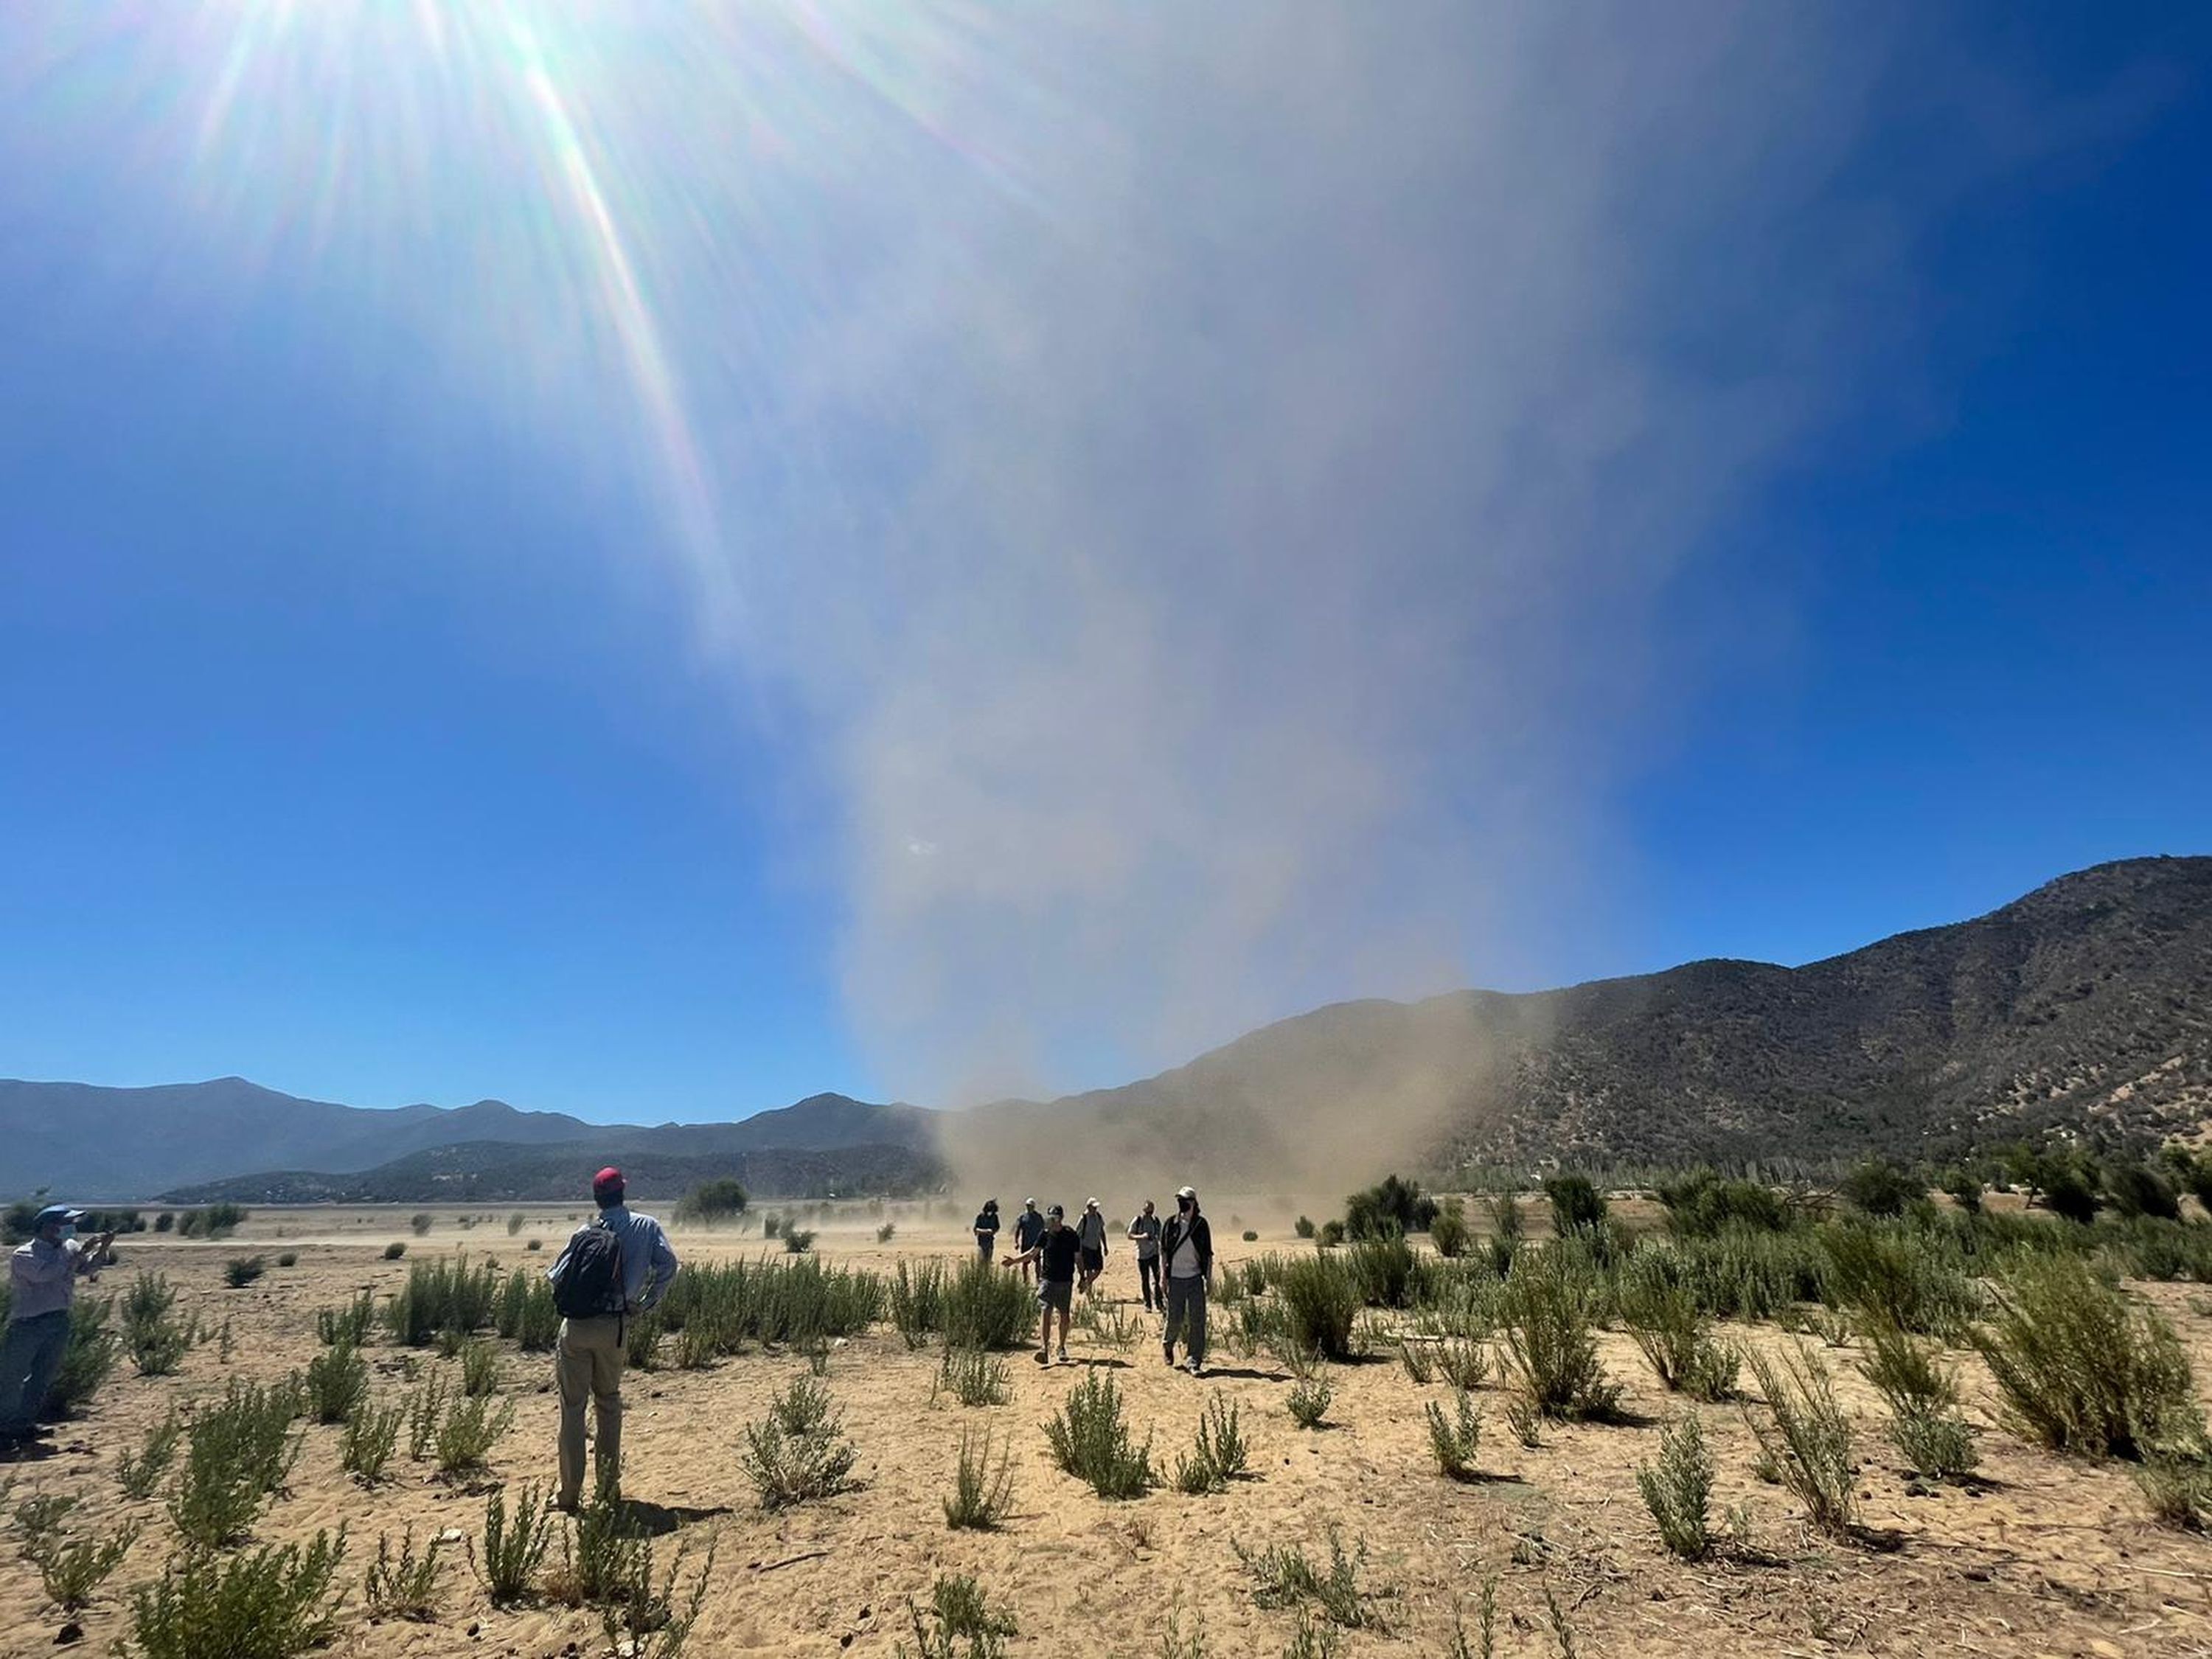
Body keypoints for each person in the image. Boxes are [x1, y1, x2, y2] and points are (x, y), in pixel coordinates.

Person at [546, 1166, 679, 1511]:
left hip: (576, 1328)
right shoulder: (646, 1226)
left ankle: (569, 1495)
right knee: (609, 1404)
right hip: (615, 1327)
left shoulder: (584, 1232)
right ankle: (607, 1491)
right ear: (623, 1193)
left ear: (597, 1198)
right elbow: (669, 1267)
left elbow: (555, 1276)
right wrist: (644, 1303)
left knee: (573, 1410)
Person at [1, 1206, 113, 1446]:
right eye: (63, 1223)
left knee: (43, 1376)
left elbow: (88, 1268)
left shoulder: (69, 1248)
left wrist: (102, 1249)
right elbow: (46, 1275)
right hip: (28, 1323)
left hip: (58, 1320)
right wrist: (79, 1253)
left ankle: (23, 1424)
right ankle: (4, 1426)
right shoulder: (24, 1254)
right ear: (47, 1226)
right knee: (13, 1376)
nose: (67, 1229)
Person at [1004, 1203, 1080, 1363]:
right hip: (1048, 1280)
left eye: (1055, 1217)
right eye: (1051, 1217)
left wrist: (1083, 1277)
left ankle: (1061, 1347)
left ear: (1061, 1218)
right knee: (1046, 1312)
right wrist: (1014, 1261)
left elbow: (1078, 1257)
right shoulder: (1045, 1235)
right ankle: (1044, 1349)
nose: (1053, 1220)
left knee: (1064, 1316)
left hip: (1065, 1281)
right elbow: (1032, 1253)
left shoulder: (1071, 1235)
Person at [1160, 1186, 1213, 1376]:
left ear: (1192, 1203)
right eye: (1179, 1200)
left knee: (1198, 1320)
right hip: (1175, 1278)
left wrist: (1209, 1278)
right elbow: (1164, 1251)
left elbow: (1208, 1253)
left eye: (1184, 1200)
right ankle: (1168, 1345)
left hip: (1195, 1278)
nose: (1181, 1204)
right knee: (1175, 1317)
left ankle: (1194, 1360)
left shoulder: (1201, 1225)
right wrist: (1163, 1278)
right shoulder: (1170, 1223)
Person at [1126, 1199, 1164, 1312]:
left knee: (1157, 1279)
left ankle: (1159, 1303)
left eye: (1151, 1211)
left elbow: (1161, 1237)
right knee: (1145, 1279)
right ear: (1144, 1210)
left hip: (1154, 1253)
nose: (1149, 1214)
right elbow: (1129, 1235)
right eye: (1148, 1211)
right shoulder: (1138, 1220)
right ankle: (1148, 1304)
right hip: (1142, 1255)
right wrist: (1142, 1237)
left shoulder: (1156, 1221)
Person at [1075, 1197, 1109, 1294]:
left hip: (1096, 1246)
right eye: (1093, 1207)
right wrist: (1078, 1250)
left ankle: (1085, 1283)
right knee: (1089, 1270)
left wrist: (1105, 1246)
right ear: (1088, 1207)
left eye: (1096, 1207)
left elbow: (1101, 1232)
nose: (1095, 1209)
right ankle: (1089, 1293)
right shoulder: (1084, 1218)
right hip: (1086, 1247)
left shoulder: (1098, 1217)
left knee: (1098, 1269)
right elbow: (1078, 1234)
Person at [1012, 1198, 1046, 1284]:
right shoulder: (1023, 1217)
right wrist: (1016, 1242)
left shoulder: (1039, 1217)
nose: (1029, 1208)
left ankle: (1038, 1279)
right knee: (1025, 1262)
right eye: (1027, 1206)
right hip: (1026, 1243)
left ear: (1033, 1207)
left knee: (1037, 1262)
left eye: (1030, 1206)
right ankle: (1025, 1279)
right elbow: (1018, 1230)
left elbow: (1044, 1229)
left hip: (1036, 1243)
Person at [973, 1197, 1001, 1263]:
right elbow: (975, 1228)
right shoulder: (980, 1217)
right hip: (981, 1241)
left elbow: (997, 1227)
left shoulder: (995, 1217)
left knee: (988, 1260)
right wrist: (984, 1231)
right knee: (981, 1259)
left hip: (990, 1241)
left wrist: (993, 1232)